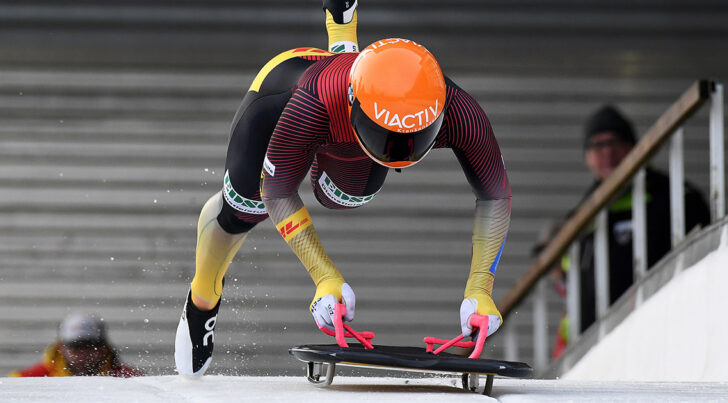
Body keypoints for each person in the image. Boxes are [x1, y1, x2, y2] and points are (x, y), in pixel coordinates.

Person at [175, 0, 511, 376]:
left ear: (438, 115)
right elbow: (278, 192)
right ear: (355, 106)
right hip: (285, 93)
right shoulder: (314, 103)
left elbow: (495, 194)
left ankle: (343, 39)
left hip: (343, 117)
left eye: (415, 138)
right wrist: (324, 278)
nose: (399, 151)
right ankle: (202, 302)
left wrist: (481, 288)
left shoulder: (460, 109)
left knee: (342, 196)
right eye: (384, 137)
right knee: (244, 208)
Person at [546, 105, 710, 358]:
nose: (607, 152)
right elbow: (568, 284)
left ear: (633, 146)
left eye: (615, 142)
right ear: (587, 157)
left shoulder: (675, 197)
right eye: (597, 146)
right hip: (591, 351)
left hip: (658, 339)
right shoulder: (579, 218)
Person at [8, 312, 142, 377]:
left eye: (92, 345)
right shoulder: (26, 380)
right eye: (75, 346)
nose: (83, 354)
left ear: (104, 347)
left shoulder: (131, 380)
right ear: (61, 347)